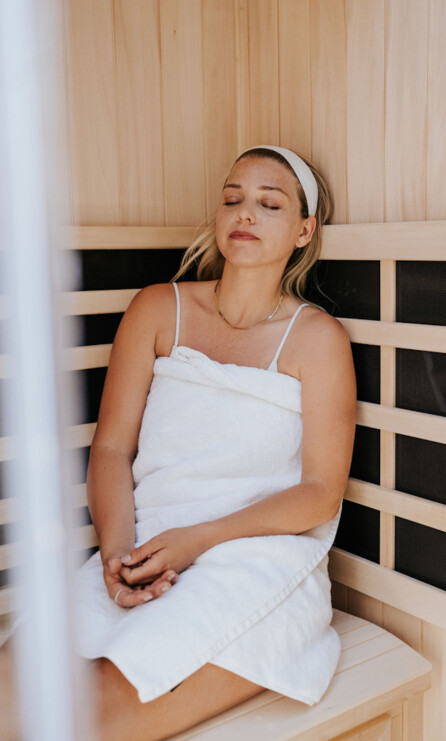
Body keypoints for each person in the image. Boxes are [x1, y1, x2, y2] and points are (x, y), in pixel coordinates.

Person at [0, 146, 357, 741]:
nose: (245, 213)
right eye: (232, 199)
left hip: (255, 556)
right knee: (16, 676)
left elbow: (321, 494)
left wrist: (198, 541)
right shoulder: (158, 308)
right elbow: (112, 449)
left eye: (269, 204)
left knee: (84, 708)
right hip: (146, 541)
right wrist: (117, 557)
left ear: (303, 230)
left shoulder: (317, 339)